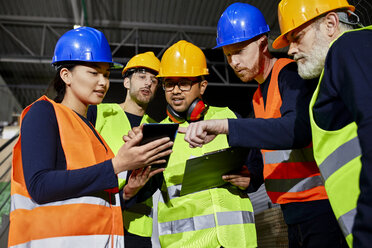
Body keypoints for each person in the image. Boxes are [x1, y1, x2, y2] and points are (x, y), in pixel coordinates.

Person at [179, 3, 347, 247]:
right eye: (227, 55)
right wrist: (252, 176)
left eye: (239, 51)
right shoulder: (258, 96)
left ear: (262, 43)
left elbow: (297, 130)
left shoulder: (290, 74)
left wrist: (226, 126)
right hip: (292, 212)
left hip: (321, 208)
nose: (234, 62)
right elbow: (268, 149)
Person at [8, 27, 173, 248]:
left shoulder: (93, 134)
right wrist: (117, 165)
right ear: (66, 75)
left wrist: (127, 192)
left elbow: (91, 203)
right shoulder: (44, 113)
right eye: (93, 73)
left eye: (106, 74)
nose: (103, 82)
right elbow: (40, 185)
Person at [271, 0, 372, 246]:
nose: (290, 51)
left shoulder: (349, 46)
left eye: (297, 37)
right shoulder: (345, 61)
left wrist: (366, 233)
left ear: (330, 24)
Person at [154, 40, 260, 248]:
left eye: (184, 83)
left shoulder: (229, 118)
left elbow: (256, 165)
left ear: (202, 86)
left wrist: (252, 179)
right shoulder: (158, 135)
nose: (175, 90)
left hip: (236, 240)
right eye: (169, 83)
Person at [87, 51, 162, 248]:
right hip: (99, 221)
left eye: (154, 80)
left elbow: (156, 177)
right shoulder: (98, 113)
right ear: (126, 82)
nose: (148, 83)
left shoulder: (157, 128)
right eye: (142, 76)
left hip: (138, 230)